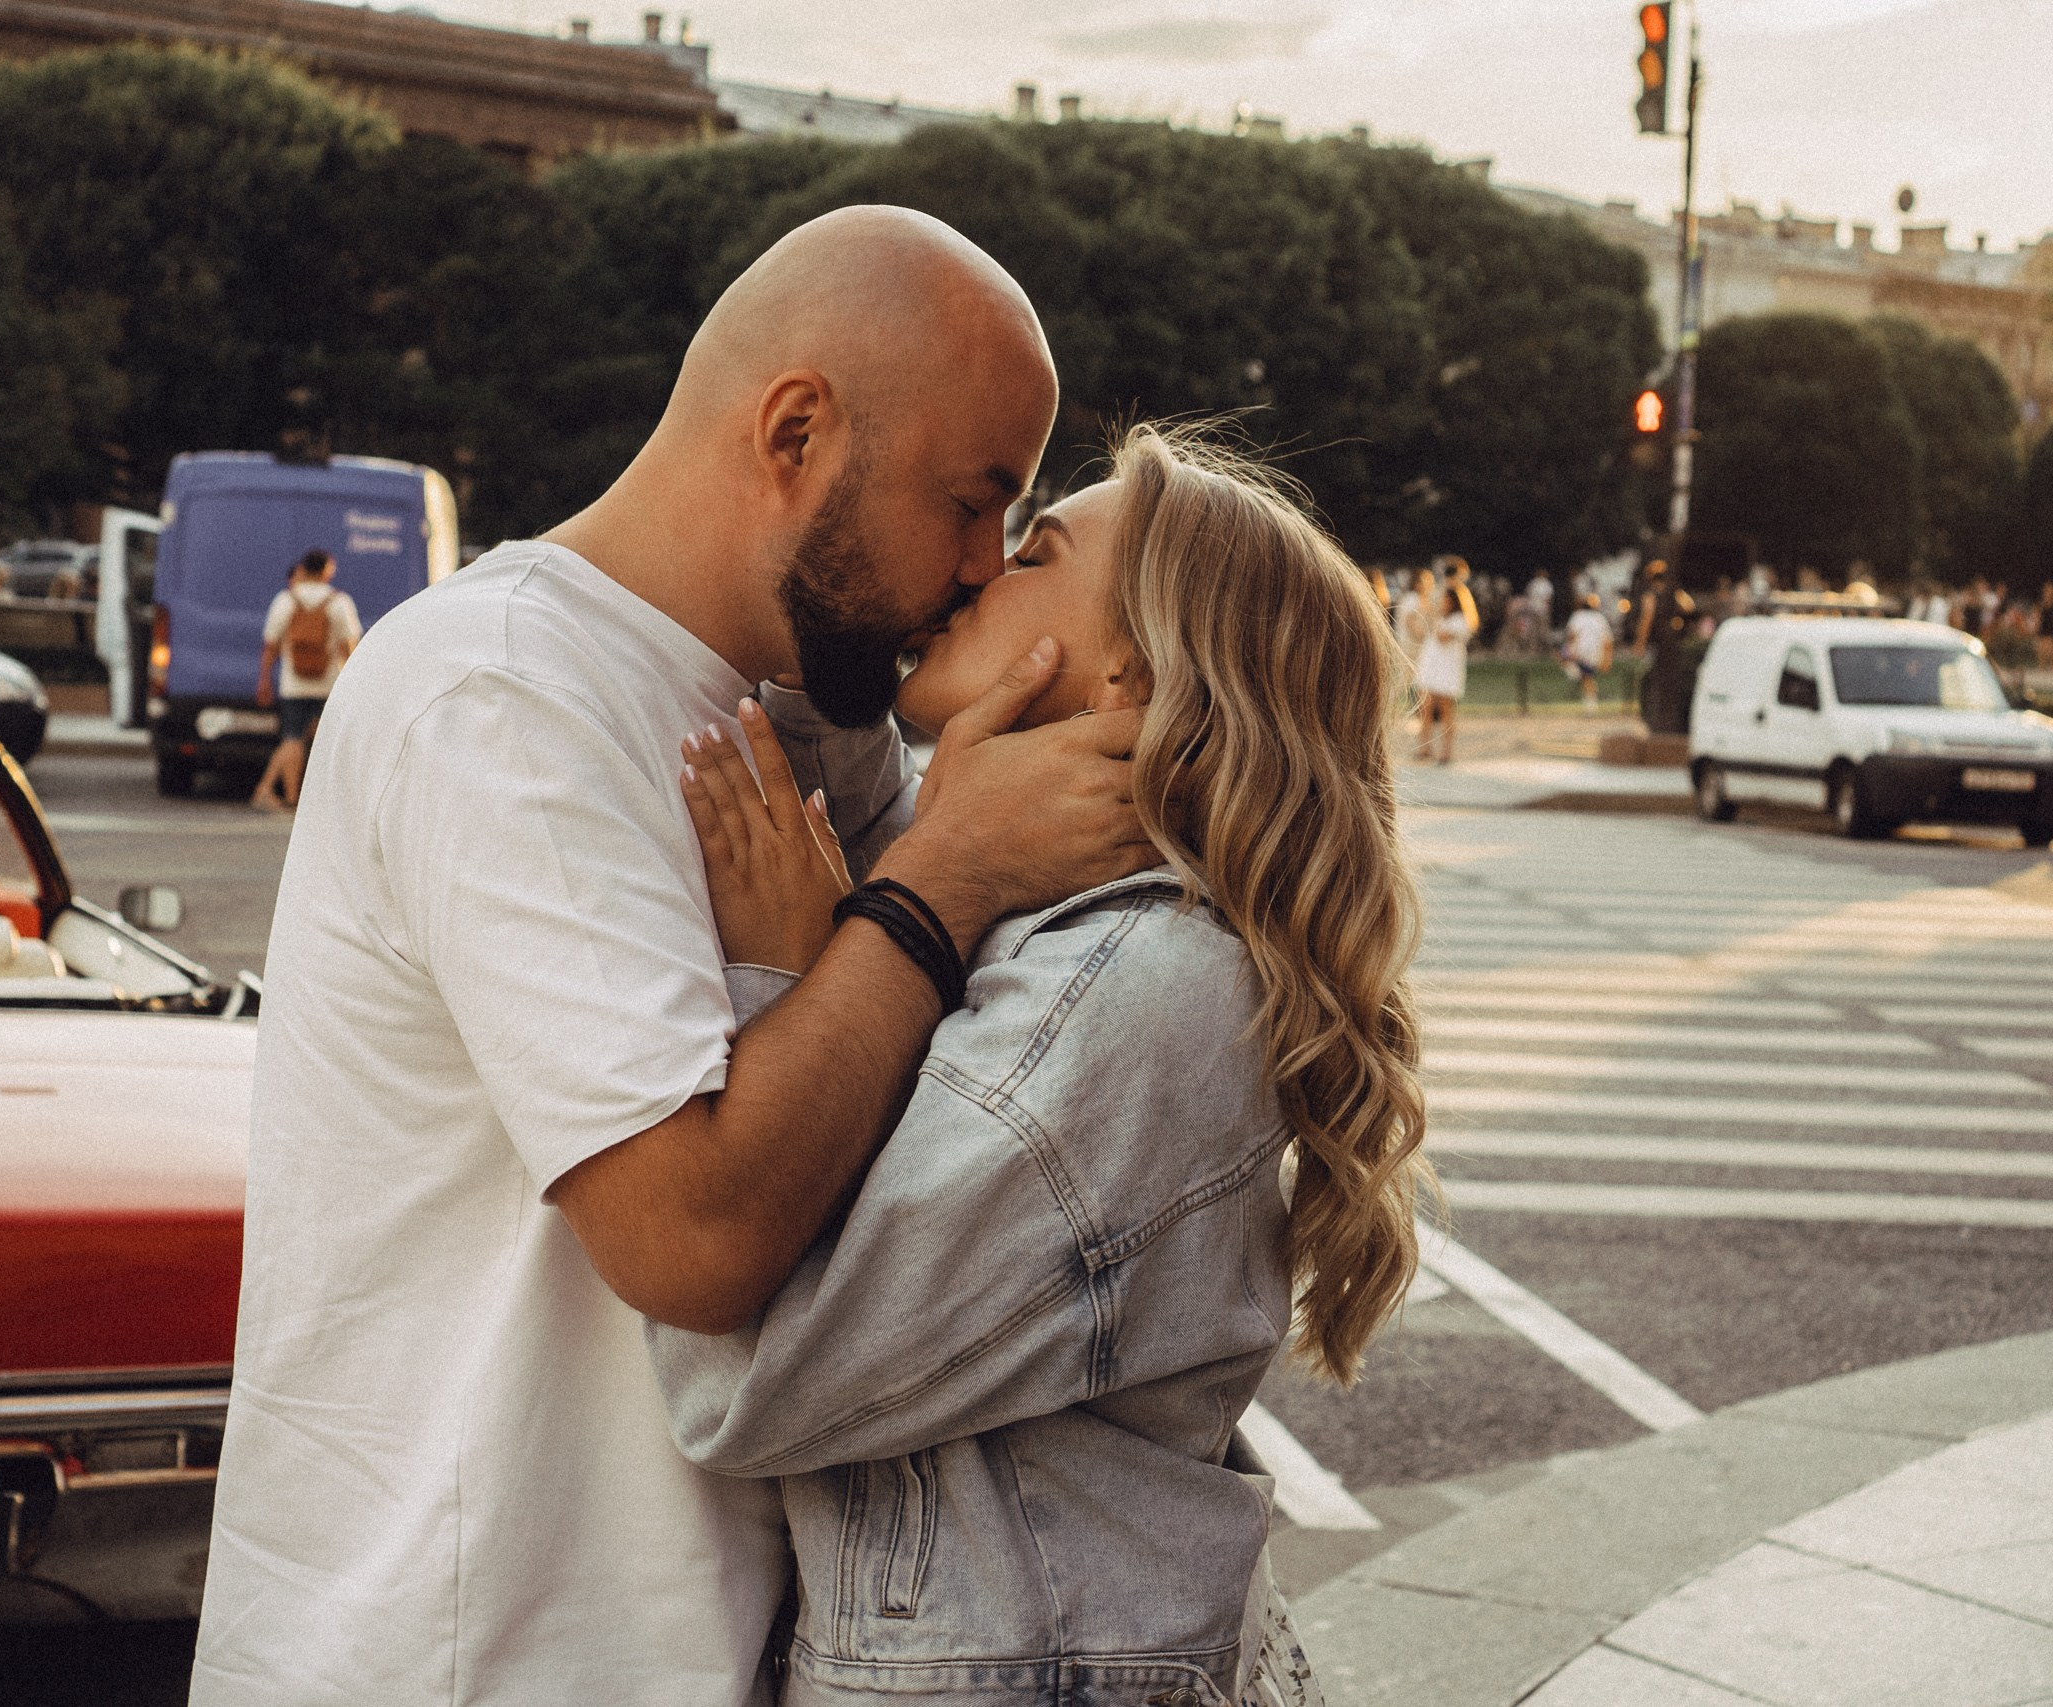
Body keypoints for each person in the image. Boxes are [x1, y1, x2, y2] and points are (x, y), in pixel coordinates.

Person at [191, 207, 1152, 1707]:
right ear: (794, 431)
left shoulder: (814, 708)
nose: (980, 568)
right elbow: (689, 1236)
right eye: (973, 502)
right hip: (475, 1654)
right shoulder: (503, 694)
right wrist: (937, 877)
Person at [649, 426, 1428, 1705]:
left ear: (1126, 668)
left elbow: (749, 1384)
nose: (974, 573)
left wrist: (800, 975)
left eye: (1037, 550)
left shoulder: (1129, 994)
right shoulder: (1077, 936)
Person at [248, 549, 361, 812]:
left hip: (293, 684)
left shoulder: (285, 600)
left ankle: (285, 795)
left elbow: (270, 646)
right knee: (329, 742)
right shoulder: (339, 601)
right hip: (330, 684)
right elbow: (349, 646)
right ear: (327, 569)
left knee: (292, 739)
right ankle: (294, 795)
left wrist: (264, 679)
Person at [1412, 556, 1475, 764]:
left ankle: (1446, 751)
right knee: (1426, 705)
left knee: (1446, 708)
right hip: (1431, 661)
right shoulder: (1437, 607)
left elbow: (1444, 635)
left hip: (1447, 665)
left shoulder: (1459, 620)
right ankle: (1425, 746)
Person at [1562, 591, 1614, 709]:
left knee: (1564, 653)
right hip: (1596, 654)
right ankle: (1589, 697)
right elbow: (1608, 641)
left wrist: (1569, 651)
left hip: (1580, 654)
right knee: (1587, 676)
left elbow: (1571, 637)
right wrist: (1607, 659)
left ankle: (1577, 675)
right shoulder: (1601, 618)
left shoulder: (1577, 616)